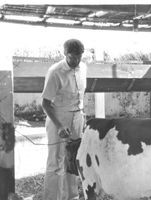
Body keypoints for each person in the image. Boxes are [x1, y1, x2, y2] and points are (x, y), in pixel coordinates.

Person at [41, 39, 86, 200]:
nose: (76, 61)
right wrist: (59, 126)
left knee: (72, 159)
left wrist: (81, 116)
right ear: (65, 54)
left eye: (79, 57)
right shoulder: (55, 71)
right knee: (56, 162)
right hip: (58, 118)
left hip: (77, 117)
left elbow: (80, 95)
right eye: (73, 57)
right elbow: (45, 103)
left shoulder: (83, 68)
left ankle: (72, 197)